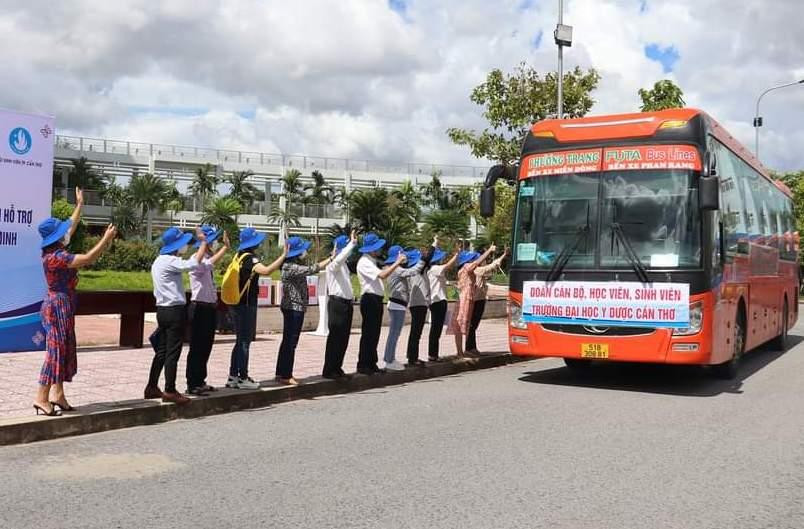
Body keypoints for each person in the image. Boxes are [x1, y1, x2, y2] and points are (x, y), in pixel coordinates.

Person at [34, 189, 117, 416]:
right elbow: (87, 259)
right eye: (61, 233)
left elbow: (71, 224)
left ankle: (57, 394)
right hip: (56, 306)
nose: (65, 233)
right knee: (55, 351)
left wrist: (79, 204)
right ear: (56, 237)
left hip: (62, 304)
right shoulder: (56, 257)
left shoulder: (55, 248)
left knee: (65, 349)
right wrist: (106, 239)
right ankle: (41, 397)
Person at [145, 226, 208, 405]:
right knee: (173, 352)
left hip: (162, 310)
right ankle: (170, 390)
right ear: (176, 245)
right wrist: (203, 242)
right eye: (183, 244)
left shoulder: (158, 261)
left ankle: (151, 386)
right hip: (174, 311)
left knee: (162, 351)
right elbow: (192, 264)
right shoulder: (170, 261)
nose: (185, 247)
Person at [227, 227, 286, 390]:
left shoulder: (238, 256)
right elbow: (266, 271)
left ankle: (233, 376)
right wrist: (282, 256)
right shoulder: (250, 259)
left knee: (239, 341)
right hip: (246, 305)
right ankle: (243, 377)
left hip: (236, 303)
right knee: (245, 341)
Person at [276, 236, 333, 385]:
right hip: (294, 308)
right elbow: (312, 269)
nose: (305, 252)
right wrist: (331, 259)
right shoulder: (290, 267)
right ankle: (286, 374)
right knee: (291, 342)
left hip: (293, 307)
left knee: (287, 341)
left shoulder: (291, 265)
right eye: (303, 250)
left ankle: (281, 371)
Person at [185, 225, 230, 396]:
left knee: (206, 346)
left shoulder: (207, 256)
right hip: (199, 307)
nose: (216, 243)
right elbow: (208, 264)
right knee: (197, 347)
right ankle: (192, 383)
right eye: (214, 240)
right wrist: (225, 248)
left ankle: (200, 380)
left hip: (210, 308)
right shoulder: (196, 258)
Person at [356, 232, 406, 375]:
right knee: (369, 333)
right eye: (377, 248)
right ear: (371, 249)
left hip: (376, 299)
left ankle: (371, 363)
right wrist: (397, 262)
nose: (379, 250)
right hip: (369, 299)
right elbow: (383, 275)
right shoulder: (364, 261)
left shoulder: (371, 261)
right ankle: (364, 364)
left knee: (374, 333)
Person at [446, 244, 496, 357]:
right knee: (460, 325)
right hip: (464, 300)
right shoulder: (466, 269)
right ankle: (461, 352)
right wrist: (489, 250)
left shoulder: (467, 270)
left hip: (468, 299)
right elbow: (476, 263)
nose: (475, 261)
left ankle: (465, 350)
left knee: (467, 325)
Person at [383, 245, 427, 370]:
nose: (405, 256)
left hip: (397, 304)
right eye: (402, 254)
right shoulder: (396, 269)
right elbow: (411, 272)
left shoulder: (393, 268)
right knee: (394, 335)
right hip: (397, 304)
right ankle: (389, 360)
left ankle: (390, 358)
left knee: (394, 334)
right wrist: (422, 260)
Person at [322, 230, 358, 380]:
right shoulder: (333, 265)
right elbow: (338, 259)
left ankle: (337, 367)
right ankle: (330, 369)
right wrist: (352, 244)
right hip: (337, 303)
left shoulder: (344, 266)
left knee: (343, 338)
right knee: (335, 338)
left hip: (346, 304)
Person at [466, 247, 509, 355]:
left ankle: (471, 347)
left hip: (477, 299)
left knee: (472, 325)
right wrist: (503, 255)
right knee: (472, 325)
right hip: (477, 300)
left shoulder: (474, 270)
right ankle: (470, 348)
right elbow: (492, 266)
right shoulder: (478, 270)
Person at [405, 238, 438, 366]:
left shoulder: (415, 270)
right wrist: (434, 243)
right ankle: (413, 358)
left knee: (415, 332)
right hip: (418, 304)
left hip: (417, 303)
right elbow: (427, 258)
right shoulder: (417, 269)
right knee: (416, 332)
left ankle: (412, 356)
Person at [426, 242, 460, 362]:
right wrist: (456, 256)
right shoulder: (435, 269)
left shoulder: (432, 270)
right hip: (438, 301)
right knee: (436, 329)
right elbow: (447, 266)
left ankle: (433, 353)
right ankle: (432, 354)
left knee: (437, 329)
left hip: (438, 300)